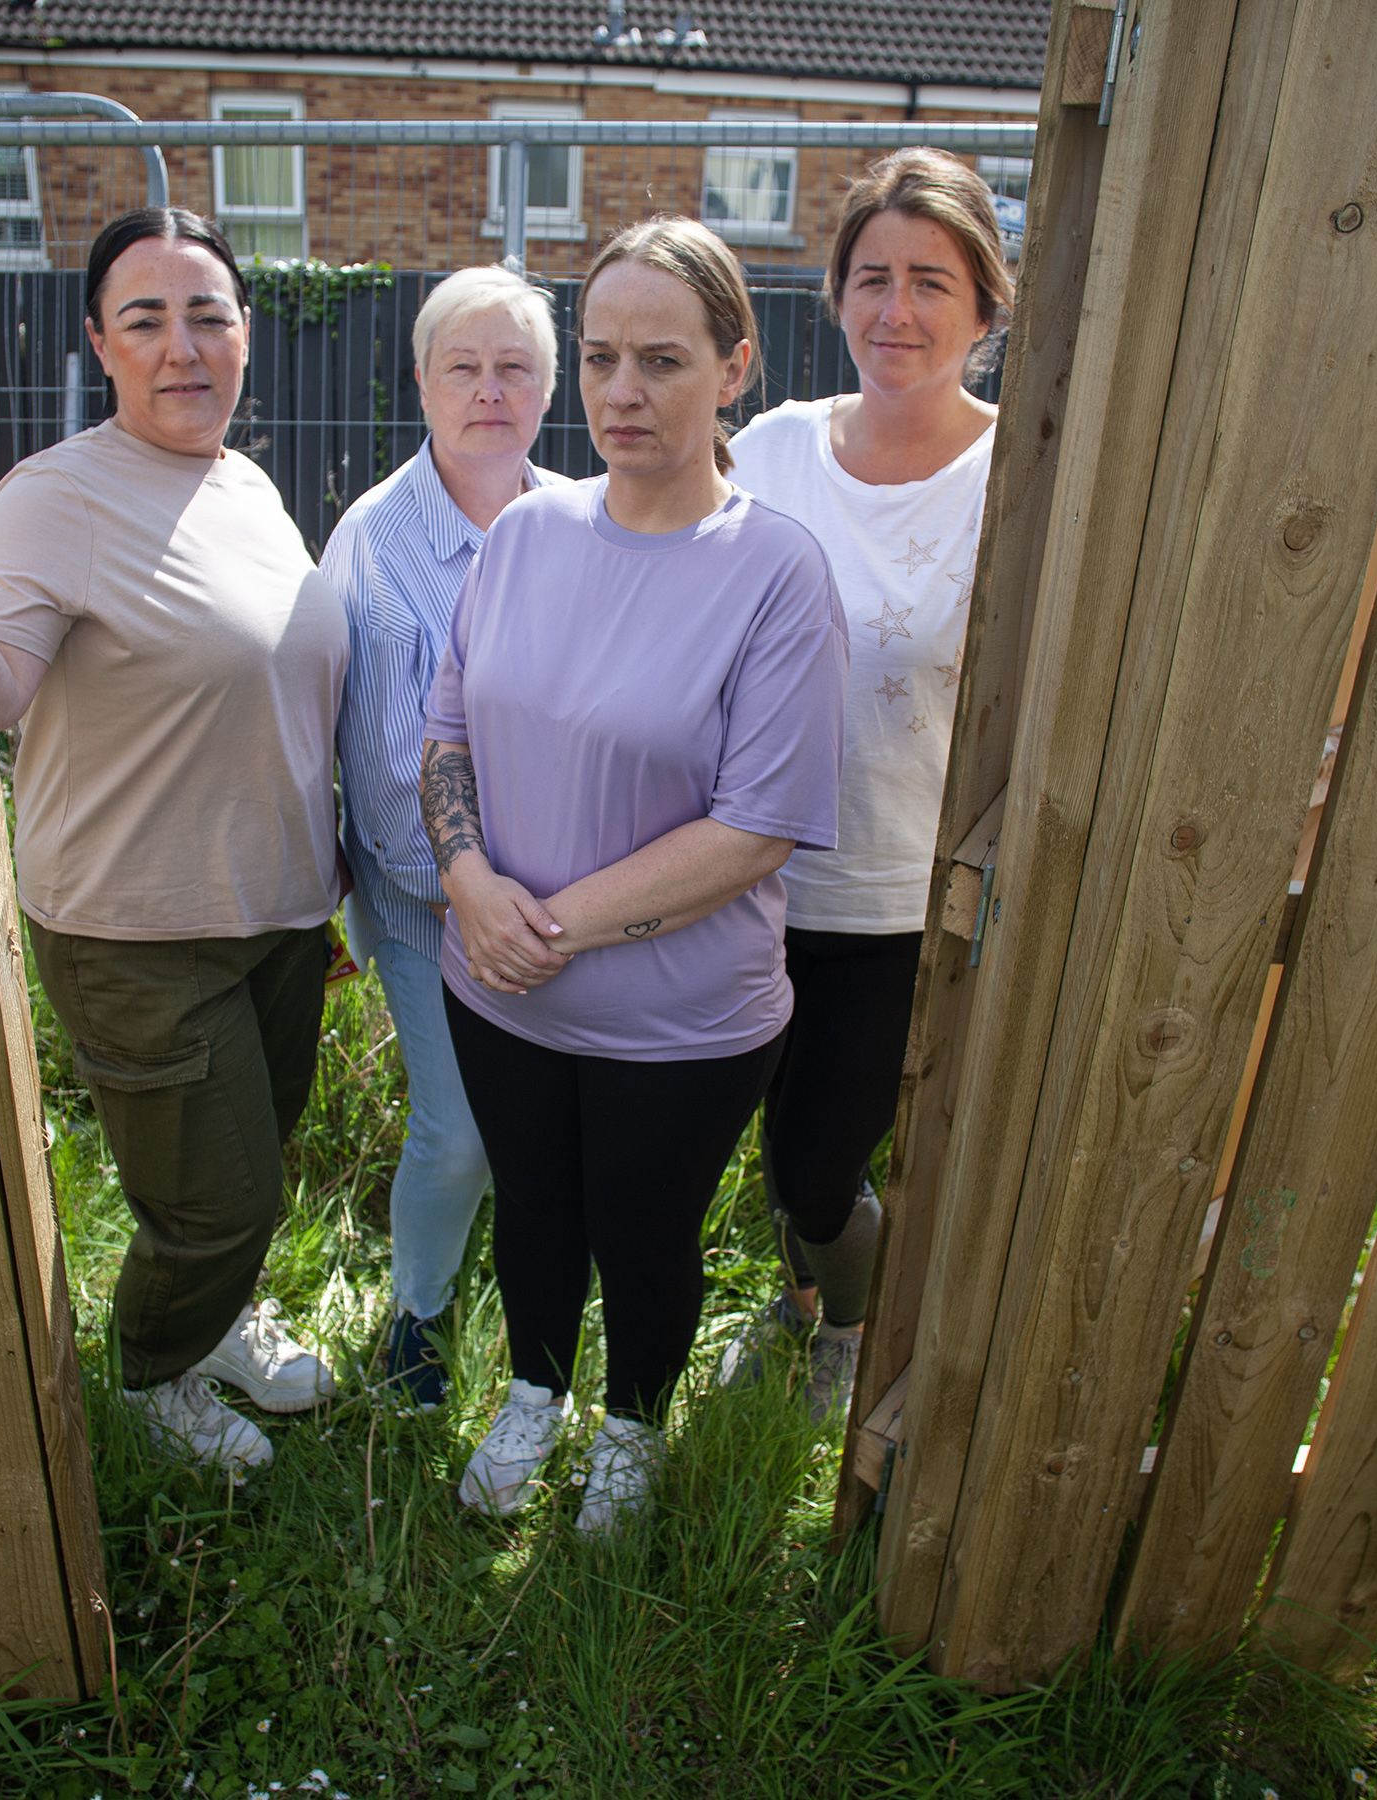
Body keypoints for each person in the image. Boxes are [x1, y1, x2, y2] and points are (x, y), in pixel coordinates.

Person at [420, 217, 849, 1532]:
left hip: (678, 1020)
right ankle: (536, 1394)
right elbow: (445, 734)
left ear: (734, 368)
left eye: (660, 360)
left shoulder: (775, 573)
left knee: (643, 1239)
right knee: (536, 1215)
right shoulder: (525, 537)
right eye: (600, 357)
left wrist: (543, 926)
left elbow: (756, 827)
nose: (620, 392)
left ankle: (631, 1427)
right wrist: (467, 883)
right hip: (495, 989)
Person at [0, 207, 346, 1472]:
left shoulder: (245, 482)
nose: (183, 346)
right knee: (217, 1199)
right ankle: (149, 1378)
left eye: (209, 316)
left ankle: (219, 1318)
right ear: (100, 342)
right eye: (147, 319)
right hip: (140, 927)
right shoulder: (56, 494)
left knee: (250, 1157)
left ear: (245, 337)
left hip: (281, 915)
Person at [714, 149, 1010, 1422]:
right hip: (741, 877)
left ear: (987, 310)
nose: (897, 310)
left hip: (896, 895)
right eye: (872, 277)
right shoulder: (772, 453)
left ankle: (851, 1319)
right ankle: (798, 1304)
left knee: (820, 1165)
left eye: (931, 282)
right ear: (835, 294)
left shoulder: (1019, 476)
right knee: (766, 1155)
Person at [329, 267, 568, 1407]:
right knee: (461, 1135)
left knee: (549, 1134)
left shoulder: (583, 523)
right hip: (429, 905)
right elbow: (366, 761)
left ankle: (542, 1321)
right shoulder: (371, 542)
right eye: (463, 367)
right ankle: (418, 1318)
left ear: (548, 388)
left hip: (572, 910)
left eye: (514, 367)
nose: (489, 390)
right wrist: (456, 888)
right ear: (421, 382)